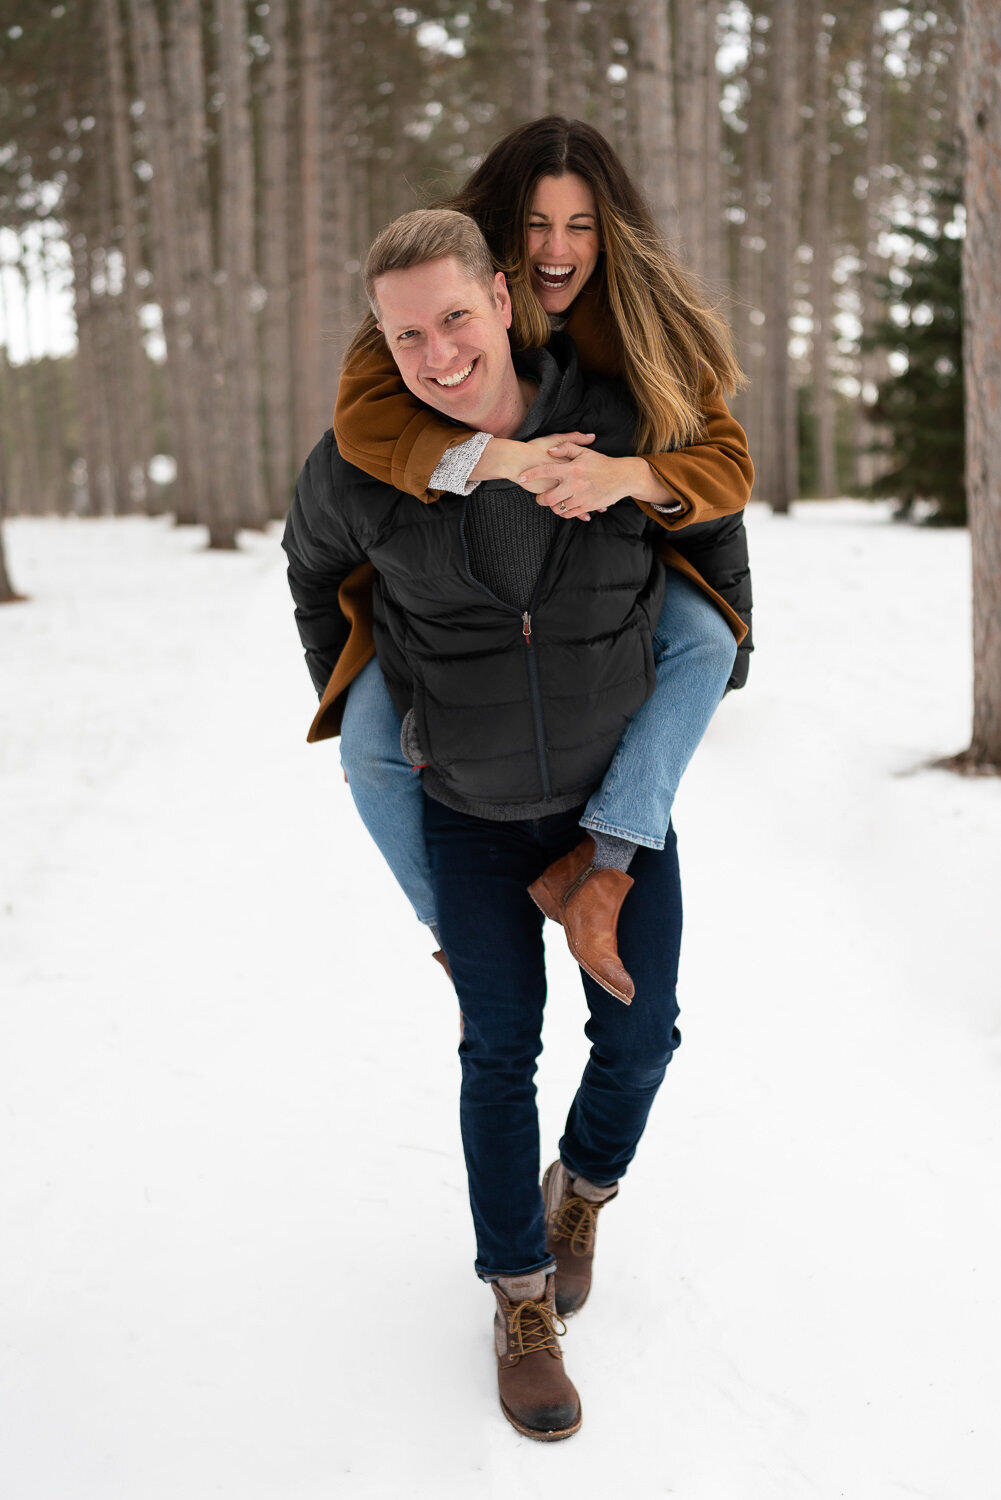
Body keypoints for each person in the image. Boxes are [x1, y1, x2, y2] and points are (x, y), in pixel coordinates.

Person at [286, 208, 713, 1441]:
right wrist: (369, 685)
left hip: (609, 810)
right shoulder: (362, 467)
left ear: (503, 297)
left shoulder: (618, 421)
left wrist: (714, 654)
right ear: (383, 341)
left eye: (454, 317)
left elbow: (710, 518)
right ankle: (518, 1296)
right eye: (405, 333)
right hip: (466, 809)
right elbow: (309, 568)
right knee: (495, 1052)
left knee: (643, 1035)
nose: (436, 351)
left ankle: (579, 1189)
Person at [323, 117, 753, 1000]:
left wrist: (625, 476)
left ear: (610, 229)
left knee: (706, 642)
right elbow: (361, 425)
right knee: (367, 741)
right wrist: (508, 461)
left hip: (608, 551)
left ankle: (604, 858)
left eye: (580, 225)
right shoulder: (441, 299)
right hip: (460, 568)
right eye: (536, 226)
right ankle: (454, 935)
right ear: (499, 237)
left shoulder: (647, 316)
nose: (557, 250)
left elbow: (723, 466)